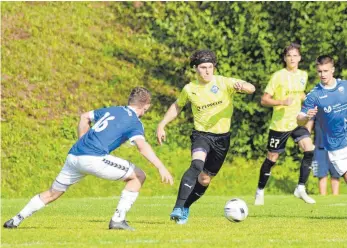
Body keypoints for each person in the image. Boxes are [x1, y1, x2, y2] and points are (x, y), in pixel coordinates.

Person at [3, 87, 173, 231]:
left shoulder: (111, 110)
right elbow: (142, 147)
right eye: (147, 110)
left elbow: (85, 116)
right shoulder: (134, 121)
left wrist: (82, 139)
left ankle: (16, 219)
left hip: (74, 156)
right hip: (93, 158)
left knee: (52, 193)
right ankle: (118, 220)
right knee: (138, 176)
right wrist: (160, 167)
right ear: (145, 106)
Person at [156, 49, 255, 224]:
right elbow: (177, 106)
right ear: (195, 68)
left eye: (210, 67)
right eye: (203, 67)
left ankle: (186, 206)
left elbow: (251, 87)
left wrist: (244, 88)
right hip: (201, 135)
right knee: (196, 165)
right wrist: (162, 124)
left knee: (204, 179)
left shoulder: (224, 82)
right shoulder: (190, 88)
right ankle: (177, 207)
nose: (208, 71)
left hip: (222, 139)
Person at [254, 43, 316, 206]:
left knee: (309, 149)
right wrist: (281, 101)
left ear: (300, 58)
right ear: (285, 58)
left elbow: (301, 93)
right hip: (280, 125)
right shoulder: (278, 76)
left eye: (295, 55)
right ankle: (260, 190)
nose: (292, 58)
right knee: (272, 158)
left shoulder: (303, 74)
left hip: (297, 121)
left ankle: (300, 188)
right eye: (289, 55)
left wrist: (310, 100)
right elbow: (264, 99)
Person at [297, 55, 347, 184]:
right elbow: (299, 119)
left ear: (333, 70)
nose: (322, 74)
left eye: (325, 71)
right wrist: (306, 116)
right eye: (319, 71)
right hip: (336, 144)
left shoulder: (345, 86)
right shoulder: (314, 95)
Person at [307, 119, 341, 195]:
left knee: (336, 174)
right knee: (321, 174)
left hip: (336, 147)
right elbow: (308, 126)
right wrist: (307, 142)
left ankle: (336, 197)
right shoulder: (316, 110)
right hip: (319, 148)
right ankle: (323, 198)